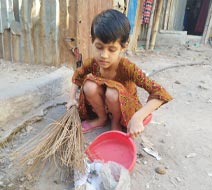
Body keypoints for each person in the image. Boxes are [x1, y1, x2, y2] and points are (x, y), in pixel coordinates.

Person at [66, 9, 172, 138]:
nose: (104, 55)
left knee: (112, 91)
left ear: (124, 46)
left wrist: (138, 117)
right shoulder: (93, 63)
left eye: (112, 49)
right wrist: (71, 99)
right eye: (99, 47)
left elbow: (160, 93)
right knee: (88, 85)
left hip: (123, 107)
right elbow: (78, 76)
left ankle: (115, 123)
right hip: (105, 104)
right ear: (92, 40)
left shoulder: (127, 68)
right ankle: (102, 118)